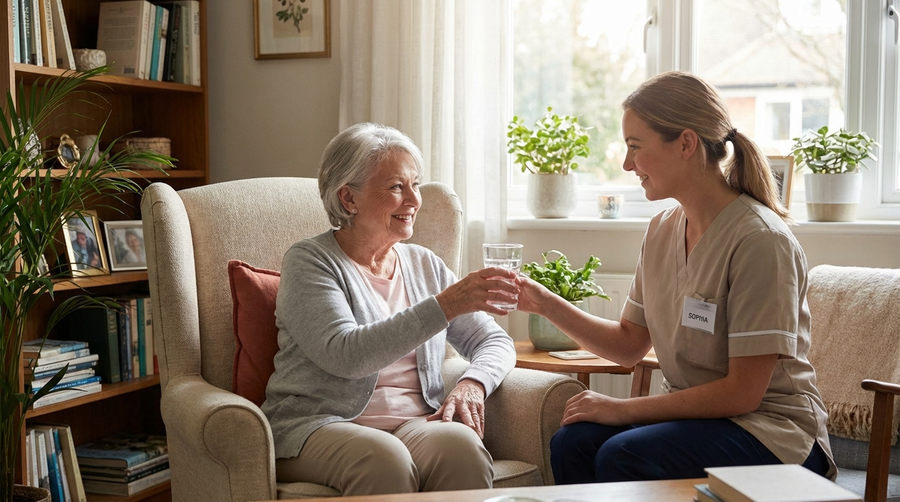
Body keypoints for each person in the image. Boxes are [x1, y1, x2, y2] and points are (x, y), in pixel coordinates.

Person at [515, 71, 835, 484]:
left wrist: (623, 409)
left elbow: (743, 393)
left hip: (773, 433)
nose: (628, 164)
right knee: (572, 441)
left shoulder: (761, 241)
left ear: (686, 143)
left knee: (623, 454)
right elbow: (628, 345)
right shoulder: (662, 229)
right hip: (699, 421)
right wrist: (543, 301)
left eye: (635, 147)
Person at [261, 122, 519, 495]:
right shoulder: (310, 262)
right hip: (316, 424)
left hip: (410, 423)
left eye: (415, 184)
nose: (414, 200)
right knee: (384, 458)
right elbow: (346, 355)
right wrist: (445, 305)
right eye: (397, 187)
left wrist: (472, 383)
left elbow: (494, 340)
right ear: (349, 199)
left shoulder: (424, 265)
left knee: (462, 449)